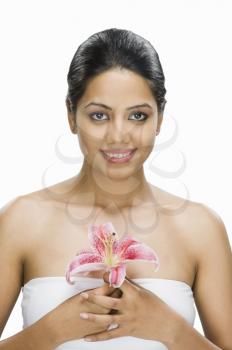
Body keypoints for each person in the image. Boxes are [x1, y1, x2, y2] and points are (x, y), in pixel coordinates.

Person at [0, 27, 231, 350]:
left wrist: (170, 329)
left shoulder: (201, 228)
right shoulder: (21, 220)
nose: (118, 136)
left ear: (160, 119)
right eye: (99, 116)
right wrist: (51, 331)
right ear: (71, 115)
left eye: (138, 115)